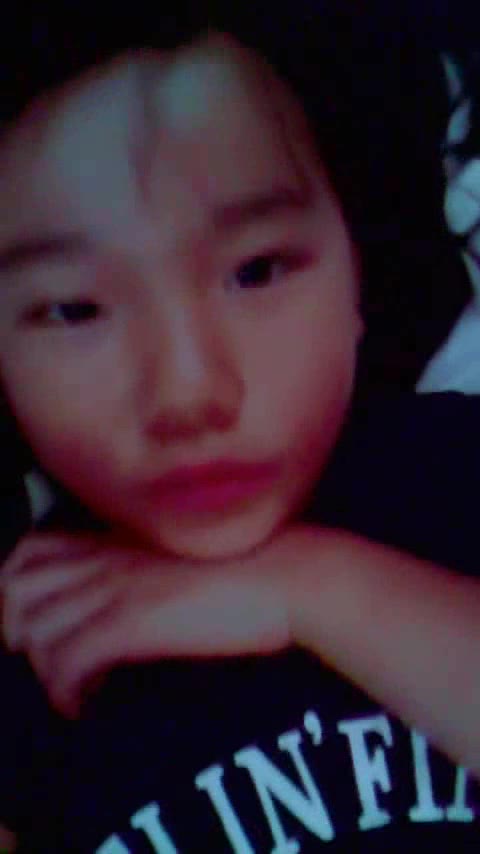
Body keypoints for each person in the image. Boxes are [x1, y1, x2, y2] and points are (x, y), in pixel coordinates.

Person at [0, 3, 479, 851]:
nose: (187, 395)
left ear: (361, 262)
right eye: (74, 310)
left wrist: (308, 590)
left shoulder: (452, 474)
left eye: (257, 271)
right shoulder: (31, 632)